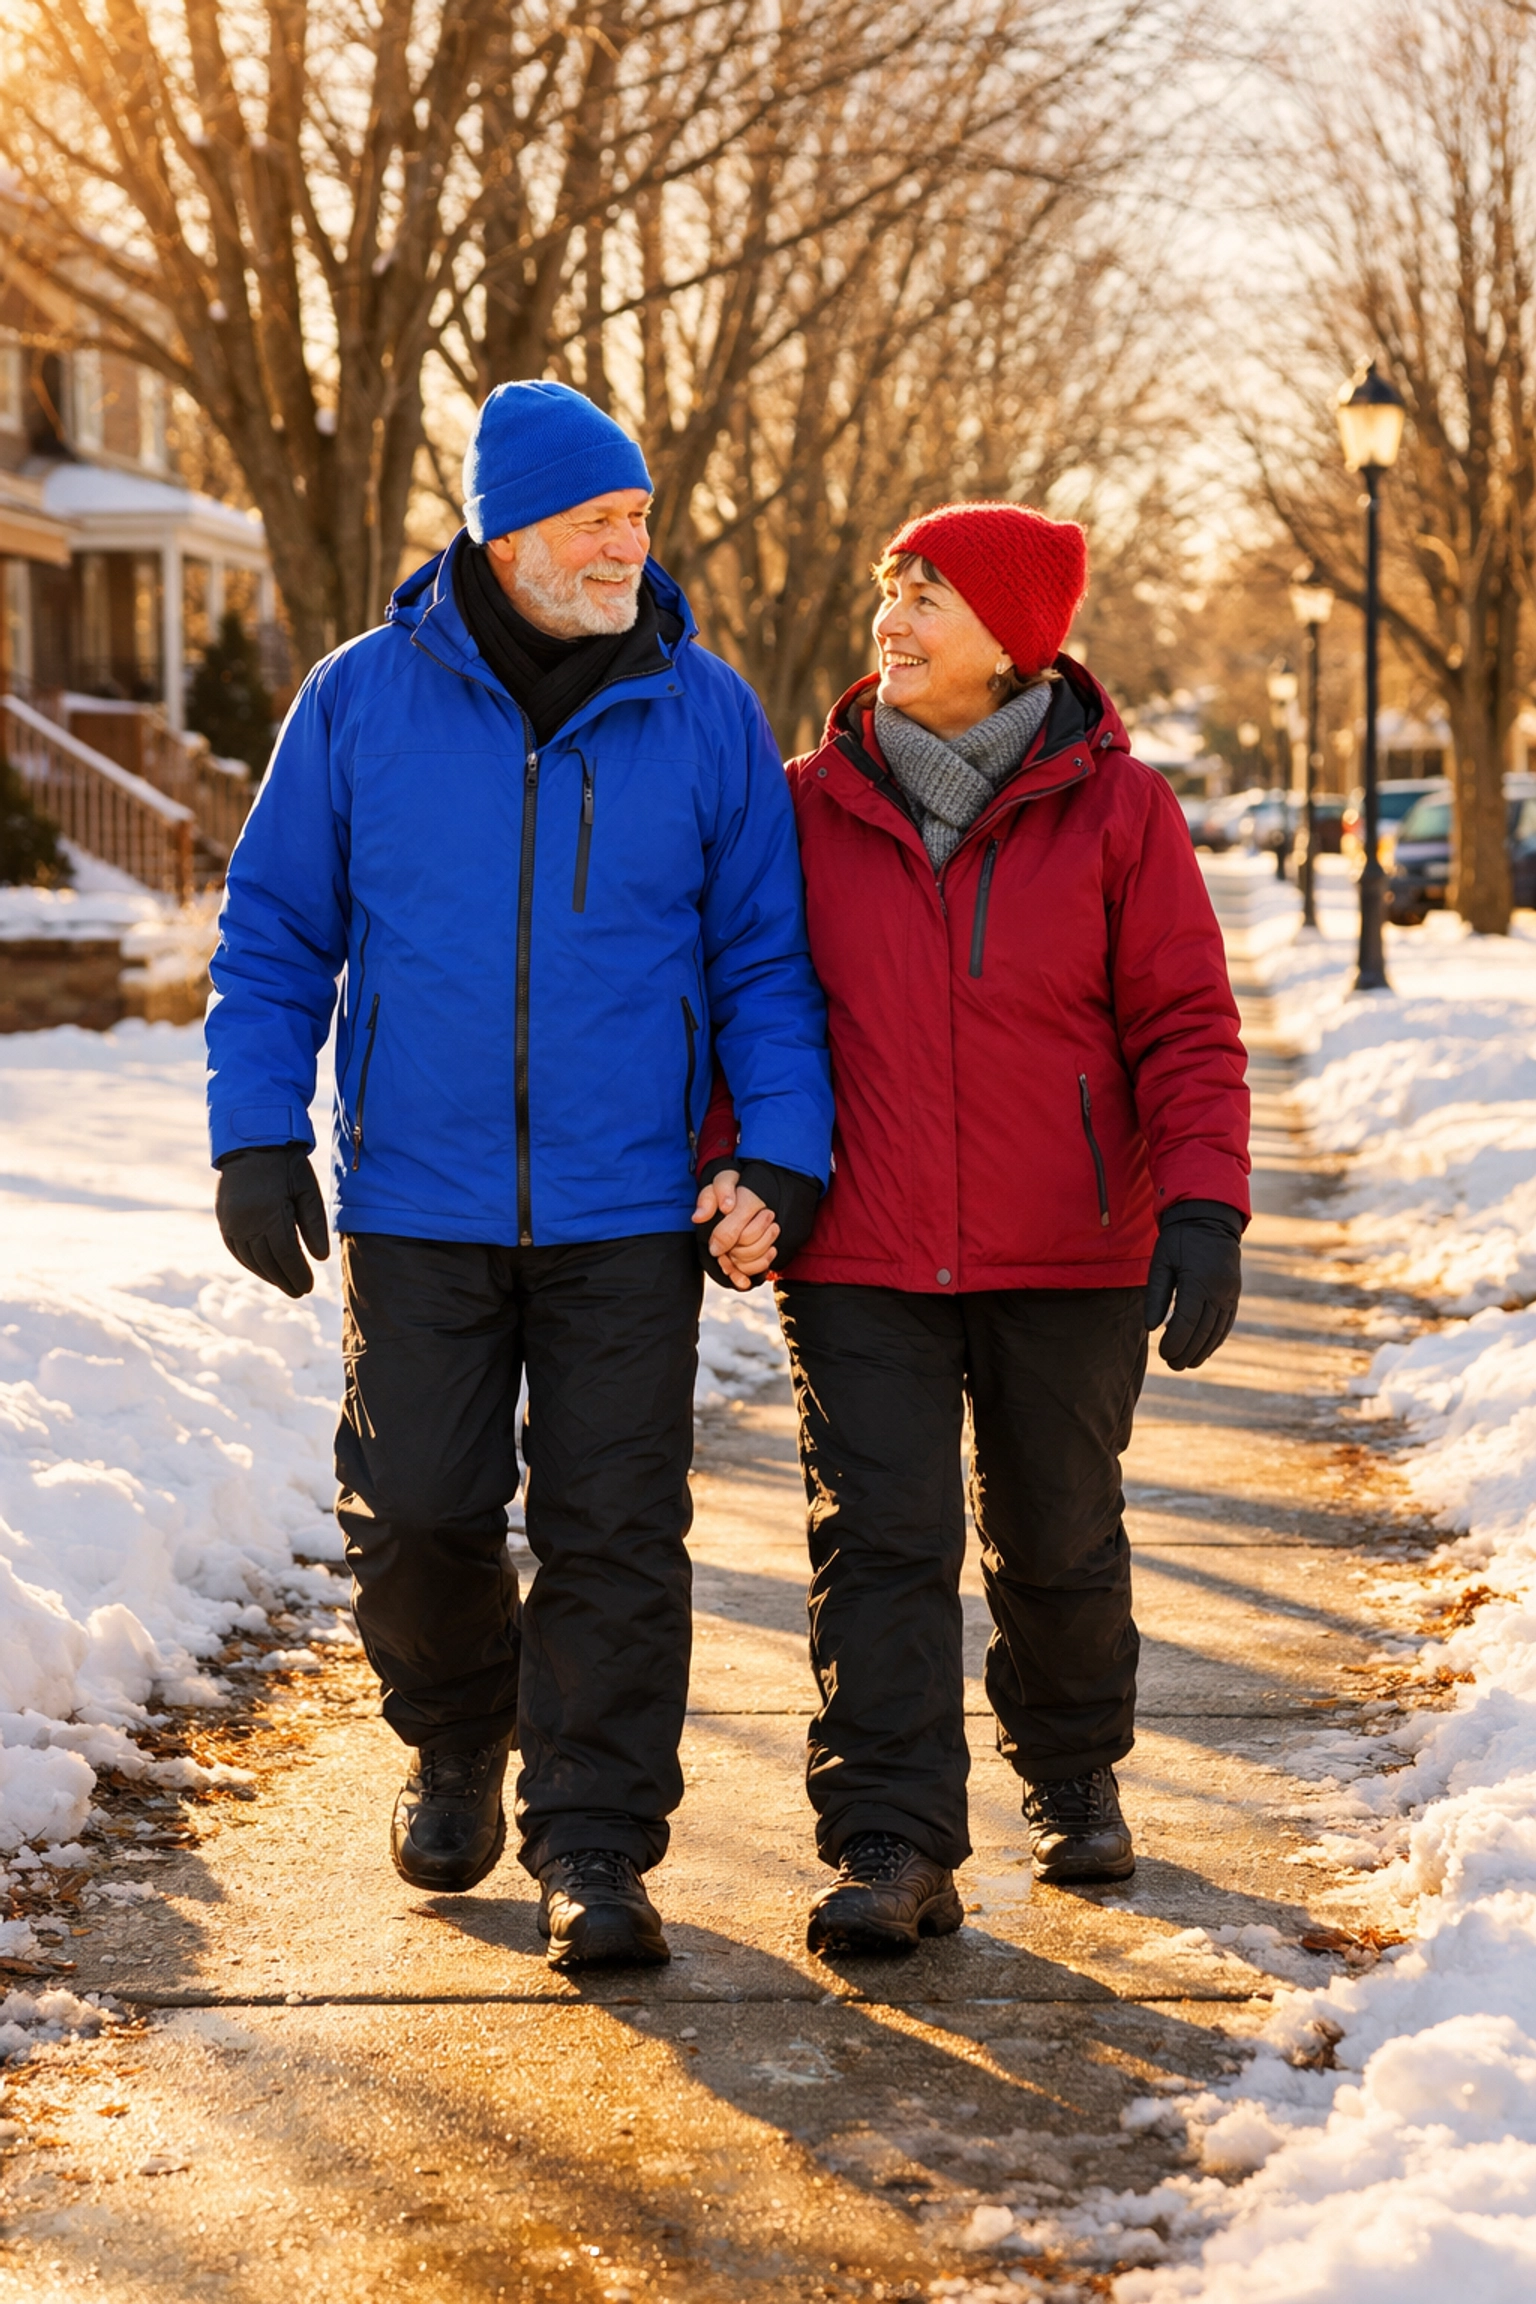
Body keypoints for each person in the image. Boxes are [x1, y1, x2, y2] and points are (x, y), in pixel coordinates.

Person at [206, 381, 832, 1968]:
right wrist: (256, 1131)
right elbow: (276, 933)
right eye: (598, 520)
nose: (631, 545)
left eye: (639, 519)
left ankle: (599, 1845)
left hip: (630, 1209)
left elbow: (765, 957)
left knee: (619, 1529)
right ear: (508, 532)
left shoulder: (705, 711)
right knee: (418, 1511)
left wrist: (782, 1147)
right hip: (420, 1197)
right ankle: (455, 1734)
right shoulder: (360, 702)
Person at [694, 500, 1250, 1955]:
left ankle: (1071, 1772)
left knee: (1057, 1533)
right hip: (863, 1244)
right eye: (892, 586)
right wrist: (739, 1168)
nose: (894, 615)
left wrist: (1202, 1202)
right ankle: (889, 1840)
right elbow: (745, 1001)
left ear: (1014, 640)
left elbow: (1186, 1022)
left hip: (1070, 1241)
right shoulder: (805, 799)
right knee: (877, 1539)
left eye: (930, 594)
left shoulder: (1120, 807)